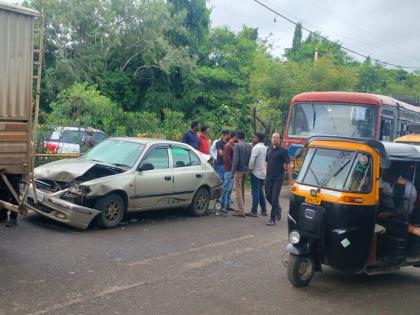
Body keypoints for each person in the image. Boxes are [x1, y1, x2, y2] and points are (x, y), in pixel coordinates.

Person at [265, 132, 292, 226]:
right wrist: (265, 173)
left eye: (276, 138)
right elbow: (267, 162)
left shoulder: (283, 151)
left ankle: (273, 218)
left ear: (279, 139)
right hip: (269, 177)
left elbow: (288, 164)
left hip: (278, 177)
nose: (274, 139)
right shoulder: (268, 149)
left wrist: (290, 178)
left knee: (275, 197)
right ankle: (278, 208)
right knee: (268, 196)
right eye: (273, 137)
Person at [231, 130, 252, 218]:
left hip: (239, 170)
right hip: (246, 170)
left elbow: (236, 160)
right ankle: (241, 208)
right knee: (242, 188)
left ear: (237, 136)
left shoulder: (237, 146)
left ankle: (241, 210)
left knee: (237, 190)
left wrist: (232, 172)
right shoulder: (249, 146)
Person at [248, 131, 268, 217]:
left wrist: (250, 170)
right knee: (260, 191)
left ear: (258, 139)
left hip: (255, 172)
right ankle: (264, 210)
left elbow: (252, 160)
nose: (253, 139)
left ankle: (254, 211)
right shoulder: (266, 148)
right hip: (263, 173)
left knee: (255, 192)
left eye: (254, 137)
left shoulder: (256, 148)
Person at [220, 131, 237, 214]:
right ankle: (223, 205)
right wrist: (233, 167)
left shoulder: (233, 145)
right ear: (234, 137)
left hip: (232, 170)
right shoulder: (228, 145)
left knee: (230, 189)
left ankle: (227, 205)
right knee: (226, 188)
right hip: (228, 169)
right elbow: (226, 159)